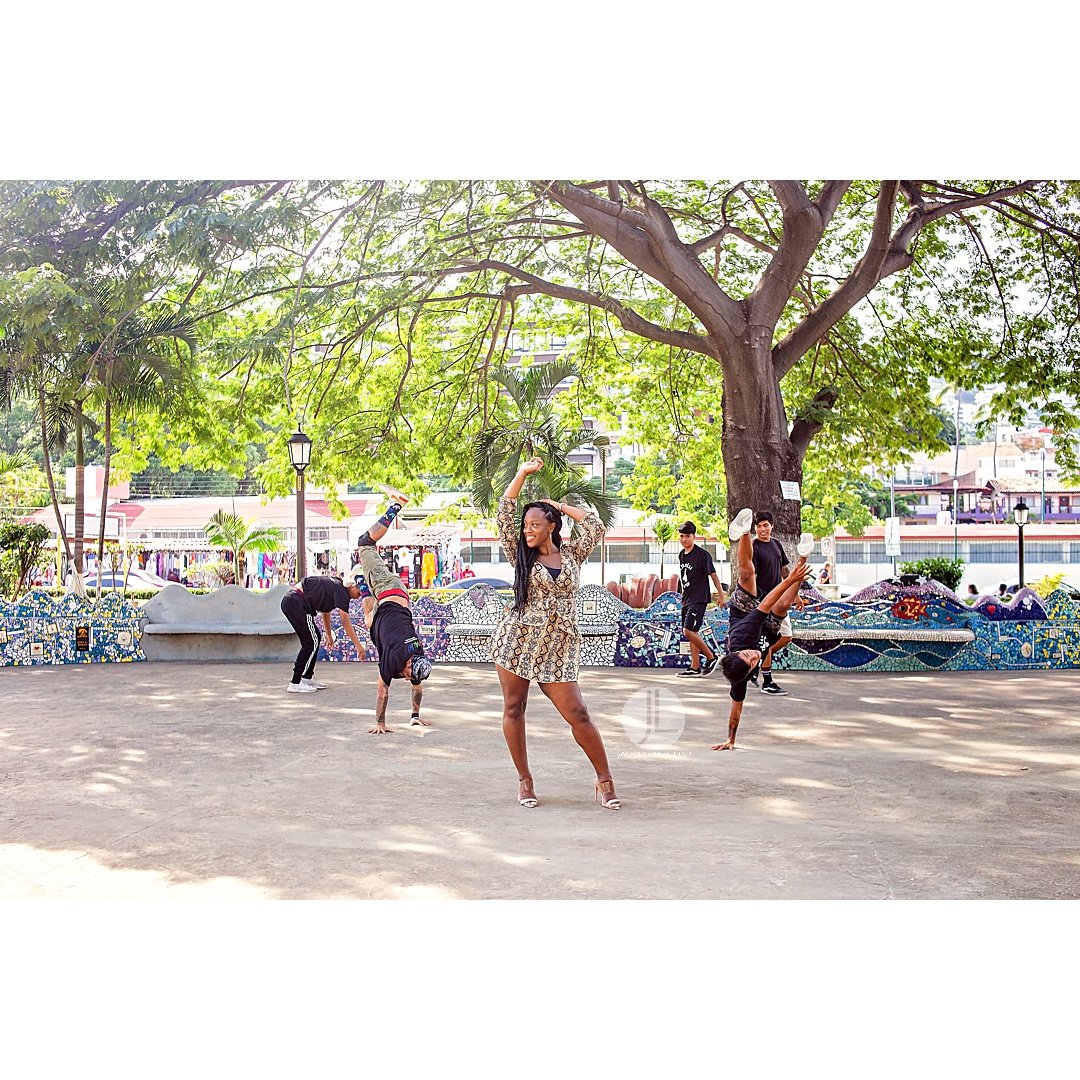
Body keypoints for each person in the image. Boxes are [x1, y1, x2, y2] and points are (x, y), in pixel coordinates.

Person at [491, 456, 620, 810]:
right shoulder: (520, 556)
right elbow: (504, 510)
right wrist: (522, 473)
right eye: (525, 525)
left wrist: (557, 505)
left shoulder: (573, 554)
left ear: (551, 526)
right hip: (517, 641)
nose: (527, 529)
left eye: (536, 523)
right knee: (514, 708)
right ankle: (525, 780)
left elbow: (594, 525)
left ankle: (604, 780)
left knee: (577, 712)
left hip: (559, 645)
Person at [712, 508, 812, 751]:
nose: (754, 656)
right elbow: (736, 710)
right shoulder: (740, 676)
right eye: (752, 660)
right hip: (766, 627)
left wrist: (789, 582)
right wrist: (731, 739)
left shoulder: (743, 636)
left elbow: (765, 605)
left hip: (745, 610)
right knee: (785, 604)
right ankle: (804, 555)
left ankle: (743, 532)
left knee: (747, 575)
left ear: (737, 653)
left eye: (747, 655)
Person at [350, 488, 433, 734]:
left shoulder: (418, 657)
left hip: (388, 607)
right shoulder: (396, 657)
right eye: (409, 674)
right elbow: (382, 691)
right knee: (365, 543)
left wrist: (415, 715)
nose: (408, 678)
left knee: (368, 619)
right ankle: (396, 506)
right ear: (408, 663)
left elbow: (417, 686)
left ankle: (362, 583)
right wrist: (380, 723)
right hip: (389, 589)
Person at [280, 572, 367, 695]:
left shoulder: (336, 586)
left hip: (294, 602)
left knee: (314, 638)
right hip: (296, 602)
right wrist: (358, 646)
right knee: (311, 641)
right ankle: (296, 681)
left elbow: (326, 610)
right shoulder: (341, 591)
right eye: (359, 593)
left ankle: (307, 677)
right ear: (352, 586)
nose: (358, 597)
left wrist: (329, 634)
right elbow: (345, 621)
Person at [749, 511, 794, 695]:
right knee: (766, 640)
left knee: (786, 636)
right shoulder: (753, 547)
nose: (762, 529)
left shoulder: (776, 544)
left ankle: (757, 659)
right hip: (764, 601)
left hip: (780, 600)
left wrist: (795, 593)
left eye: (765, 525)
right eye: (759, 526)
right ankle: (767, 681)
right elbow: (751, 577)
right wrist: (756, 602)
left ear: (772, 526)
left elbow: (785, 571)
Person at [675, 520, 727, 678]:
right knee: (692, 633)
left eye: (687, 536)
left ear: (694, 536)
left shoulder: (702, 555)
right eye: (682, 536)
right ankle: (695, 667)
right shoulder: (682, 555)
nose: (684, 539)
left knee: (688, 630)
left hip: (699, 598)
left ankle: (712, 657)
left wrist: (722, 595)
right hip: (687, 599)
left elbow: (713, 575)